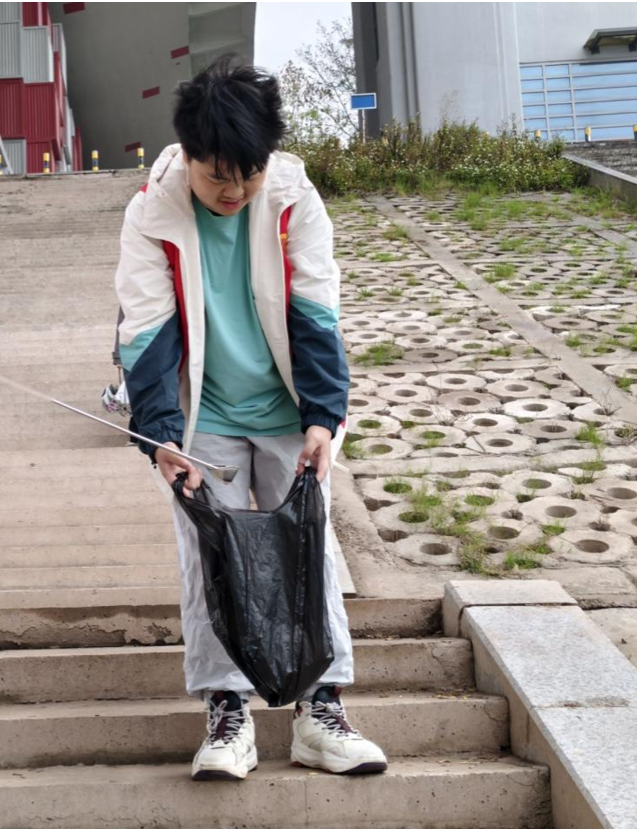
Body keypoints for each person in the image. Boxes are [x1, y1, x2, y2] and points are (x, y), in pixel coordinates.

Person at [113, 57, 387, 782]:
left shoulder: (294, 198)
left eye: (249, 173)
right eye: (217, 177)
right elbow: (145, 332)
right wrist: (160, 436)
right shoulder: (152, 212)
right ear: (188, 156)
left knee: (309, 549)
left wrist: (323, 418)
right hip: (203, 419)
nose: (234, 190)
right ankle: (227, 714)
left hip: (290, 413)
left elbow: (318, 313)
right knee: (212, 557)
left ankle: (320, 711)